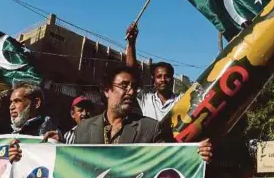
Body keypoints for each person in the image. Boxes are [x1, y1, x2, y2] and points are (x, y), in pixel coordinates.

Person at [73, 66, 212, 162]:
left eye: (134, 87)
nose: (131, 91)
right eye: (124, 86)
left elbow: (169, 160)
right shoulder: (83, 129)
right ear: (106, 90)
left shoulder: (150, 128)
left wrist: (195, 154)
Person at [125, 24, 181, 121]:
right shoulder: (145, 99)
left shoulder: (181, 100)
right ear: (153, 80)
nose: (163, 80)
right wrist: (131, 43)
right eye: (159, 76)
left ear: (172, 80)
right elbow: (132, 74)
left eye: (167, 76)